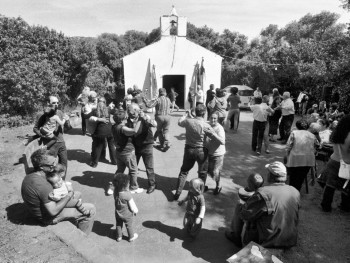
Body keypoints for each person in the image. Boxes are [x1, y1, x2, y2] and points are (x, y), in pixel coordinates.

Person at [226, 161, 300, 248]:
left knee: (240, 206)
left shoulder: (264, 192)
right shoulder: (295, 191)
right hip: (289, 240)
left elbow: (245, 215)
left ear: (270, 176)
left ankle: (235, 236)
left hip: (268, 243)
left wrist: (246, 203)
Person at [21, 149, 96, 234]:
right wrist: (69, 195)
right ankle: (83, 237)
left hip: (45, 207)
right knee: (91, 208)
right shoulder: (42, 185)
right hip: (48, 218)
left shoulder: (34, 175)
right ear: (41, 166)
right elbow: (53, 211)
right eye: (52, 164)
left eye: (55, 162)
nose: (55, 165)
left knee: (78, 194)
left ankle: (74, 219)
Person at [173, 104, 211, 201]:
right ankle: (200, 191)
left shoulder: (188, 121)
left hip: (189, 148)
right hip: (201, 150)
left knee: (184, 171)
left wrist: (185, 115)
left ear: (195, 112)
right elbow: (211, 138)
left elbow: (179, 122)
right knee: (202, 173)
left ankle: (178, 191)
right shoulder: (206, 125)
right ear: (204, 113)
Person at [318, 114, 350, 212]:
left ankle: (326, 206)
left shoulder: (335, 133)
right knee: (346, 186)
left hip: (333, 160)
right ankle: (345, 206)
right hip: (347, 163)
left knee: (330, 185)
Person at [33, 96, 68, 179]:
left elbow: (67, 127)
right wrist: (43, 135)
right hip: (50, 144)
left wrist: (67, 120)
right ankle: (51, 184)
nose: (56, 104)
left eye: (57, 103)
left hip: (61, 142)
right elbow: (35, 128)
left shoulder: (59, 112)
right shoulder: (42, 114)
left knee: (64, 163)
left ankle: (61, 182)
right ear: (48, 103)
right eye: (53, 103)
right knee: (50, 165)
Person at [127, 103, 158, 194]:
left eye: (132, 113)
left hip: (147, 145)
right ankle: (131, 183)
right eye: (128, 112)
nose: (129, 114)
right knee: (133, 166)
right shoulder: (129, 118)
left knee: (149, 167)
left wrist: (144, 117)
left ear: (137, 111)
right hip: (135, 145)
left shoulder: (145, 116)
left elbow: (154, 124)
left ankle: (152, 184)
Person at [111, 109, 143, 195]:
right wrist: (140, 119)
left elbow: (114, 138)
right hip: (128, 152)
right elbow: (134, 131)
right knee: (133, 170)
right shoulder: (123, 128)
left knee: (120, 170)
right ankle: (134, 187)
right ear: (123, 119)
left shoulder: (114, 126)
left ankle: (112, 187)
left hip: (119, 152)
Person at [285, 119, 319, 191]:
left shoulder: (294, 133)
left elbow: (288, 146)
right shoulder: (312, 135)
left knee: (293, 178)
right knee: (301, 178)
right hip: (308, 160)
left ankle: (291, 192)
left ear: (297, 126)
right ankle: (297, 192)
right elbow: (317, 145)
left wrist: (288, 156)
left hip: (295, 159)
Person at [88, 99, 117, 168]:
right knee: (111, 146)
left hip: (100, 131)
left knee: (98, 147)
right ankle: (114, 161)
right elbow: (116, 112)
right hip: (109, 130)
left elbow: (87, 116)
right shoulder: (108, 110)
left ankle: (95, 163)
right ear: (105, 103)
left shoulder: (95, 111)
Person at [113, 173, 139, 242]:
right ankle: (131, 237)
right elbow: (132, 205)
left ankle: (119, 236)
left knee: (118, 224)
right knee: (129, 225)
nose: (129, 184)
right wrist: (135, 211)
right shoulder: (127, 195)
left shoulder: (115, 192)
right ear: (124, 185)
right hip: (127, 215)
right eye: (128, 183)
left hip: (118, 213)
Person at [205, 112, 225, 195]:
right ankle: (203, 185)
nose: (213, 120)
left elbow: (222, 141)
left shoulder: (219, 128)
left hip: (218, 154)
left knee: (215, 172)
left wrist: (213, 134)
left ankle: (218, 186)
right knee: (207, 170)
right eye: (211, 118)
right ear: (209, 118)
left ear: (218, 120)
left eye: (215, 118)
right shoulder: (207, 125)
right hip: (208, 152)